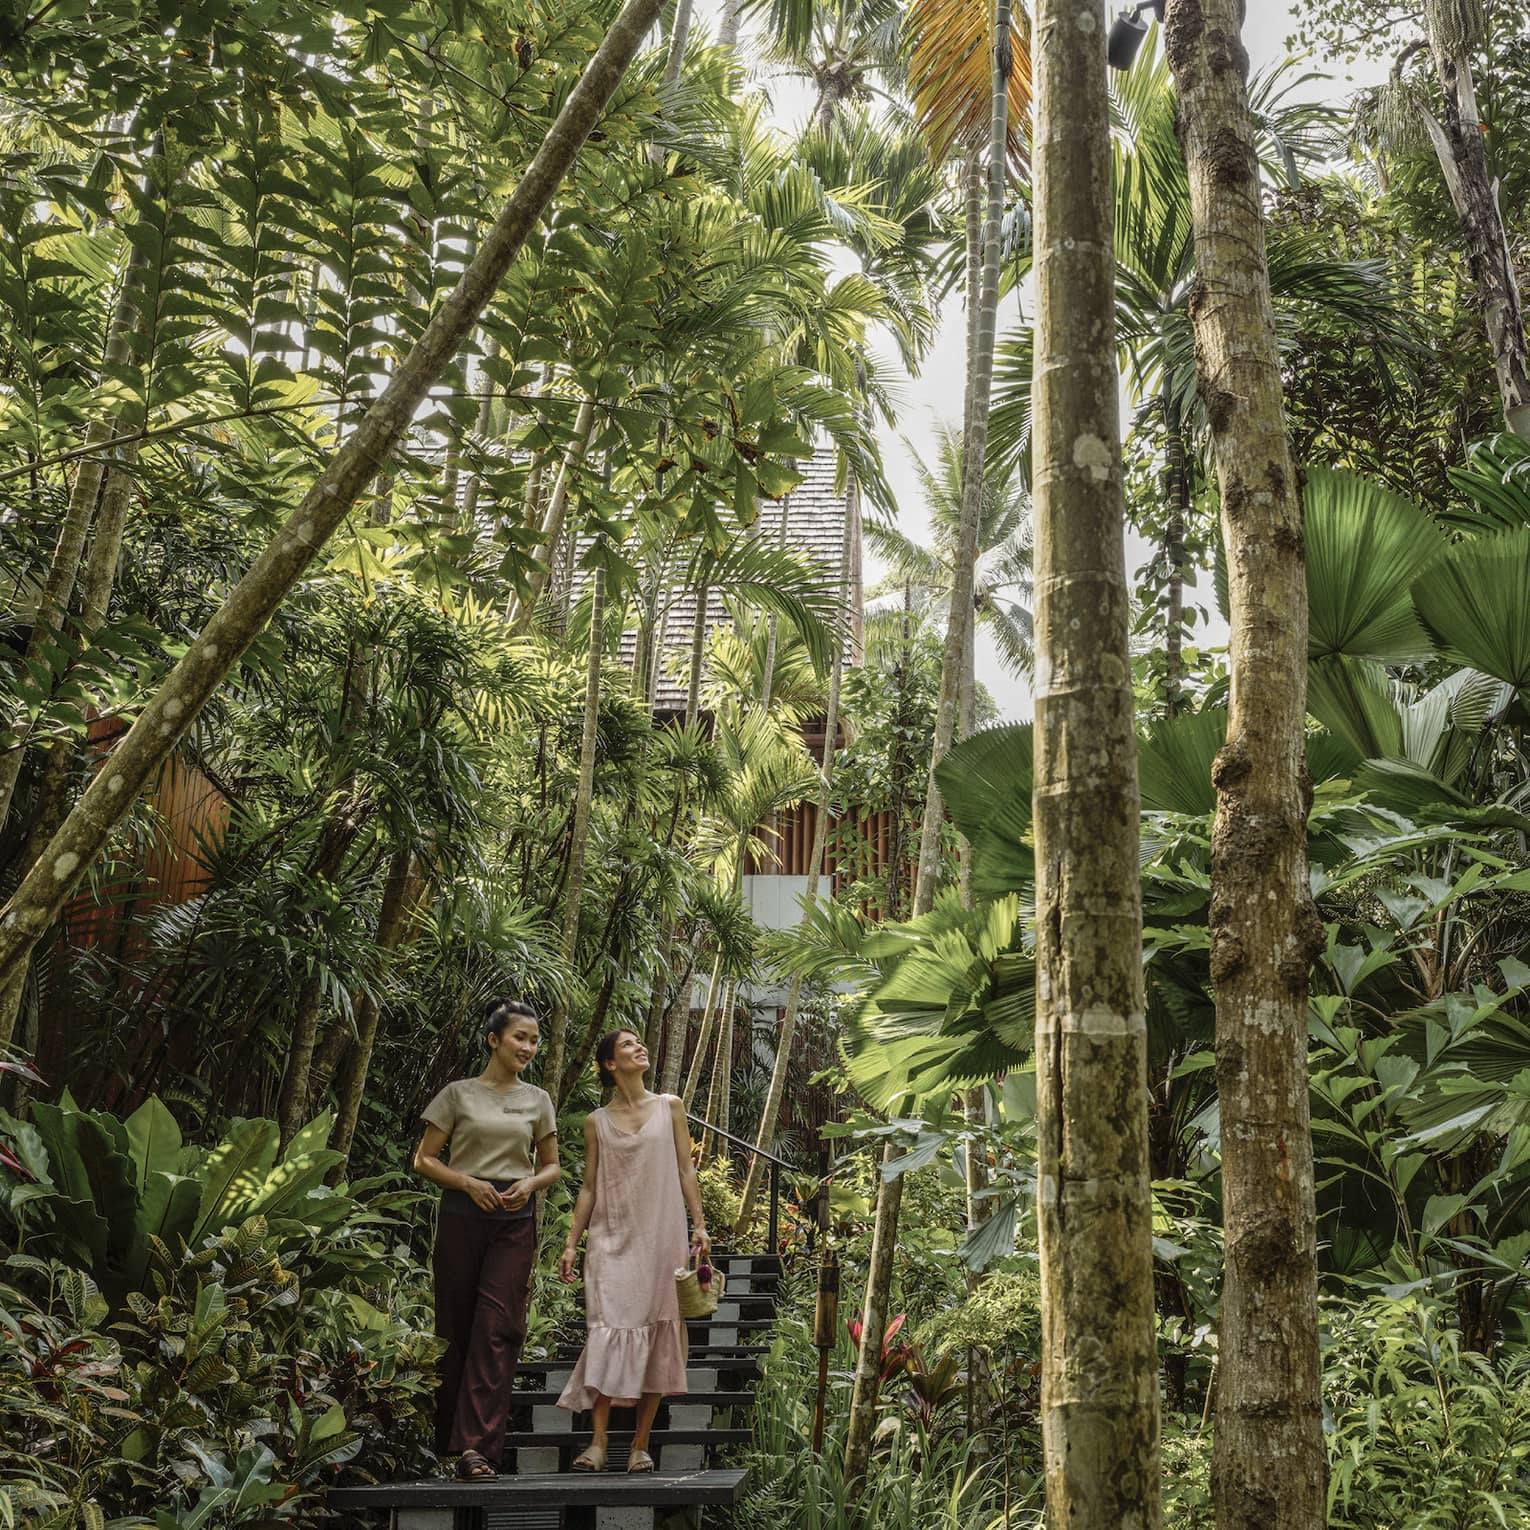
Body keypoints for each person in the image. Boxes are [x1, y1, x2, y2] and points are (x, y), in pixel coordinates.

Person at [414, 999, 560, 1481]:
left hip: (514, 1217)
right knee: (455, 1323)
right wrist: (467, 1183)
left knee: (497, 1327)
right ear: (493, 1040)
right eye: (521, 1037)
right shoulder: (457, 1094)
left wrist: (531, 1185)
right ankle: (446, 1440)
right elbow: (425, 1159)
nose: (529, 1047)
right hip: (462, 1210)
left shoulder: (538, 1099)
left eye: (535, 1040)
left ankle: (477, 1449)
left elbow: (552, 1165)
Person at [556, 1028, 711, 1474]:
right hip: (610, 1239)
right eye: (627, 1045)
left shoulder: (670, 1107)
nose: (639, 1047)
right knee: (607, 1329)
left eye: (640, 1042)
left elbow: (685, 1171)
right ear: (609, 1063)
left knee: (658, 1333)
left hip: (661, 1239)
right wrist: (571, 1243)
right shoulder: (596, 1121)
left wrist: (698, 1225)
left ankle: (641, 1444)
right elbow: (587, 1187)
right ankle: (599, 1441)